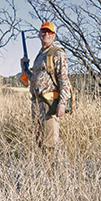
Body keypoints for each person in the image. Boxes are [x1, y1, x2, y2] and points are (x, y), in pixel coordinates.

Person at [21, 21, 71, 151]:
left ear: (54, 36)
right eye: (43, 31)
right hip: (36, 103)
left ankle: (56, 170)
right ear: (39, 34)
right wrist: (25, 68)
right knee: (39, 142)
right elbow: (35, 79)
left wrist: (62, 104)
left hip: (49, 104)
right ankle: (45, 170)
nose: (46, 34)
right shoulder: (40, 55)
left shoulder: (57, 53)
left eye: (49, 32)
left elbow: (64, 80)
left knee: (51, 144)